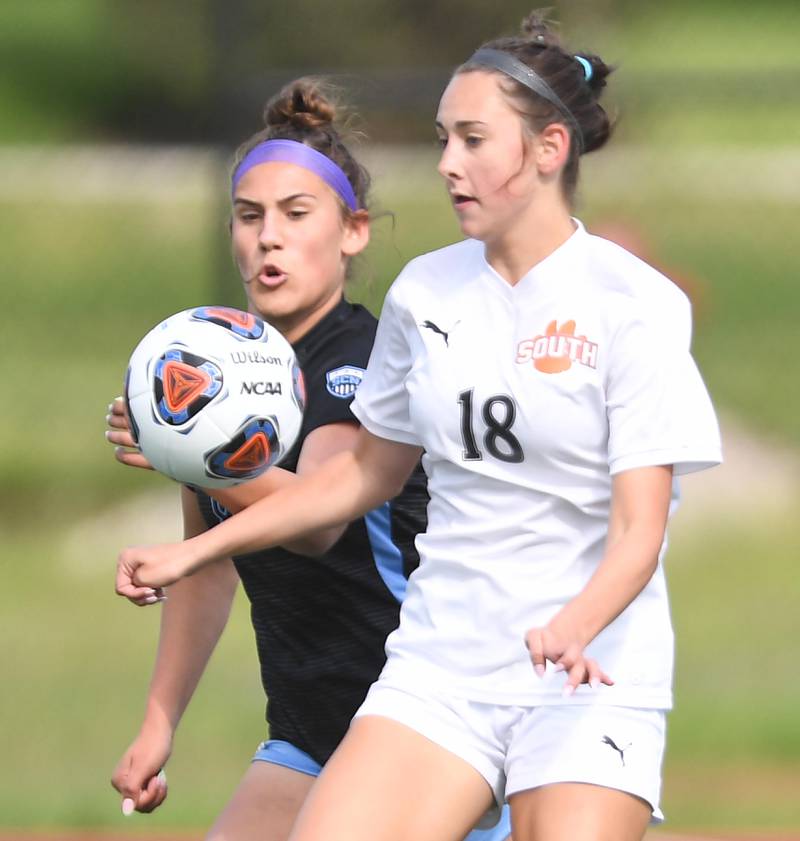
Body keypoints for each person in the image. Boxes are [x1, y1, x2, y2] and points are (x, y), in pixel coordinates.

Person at [116, 12, 722, 841]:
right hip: (443, 668)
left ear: (548, 150)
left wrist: (574, 624)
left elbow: (639, 527)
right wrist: (192, 550)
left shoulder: (635, 303)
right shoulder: (425, 295)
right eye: (443, 138)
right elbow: (358, 479)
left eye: (473, 139)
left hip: (590, 673)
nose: (446, 163)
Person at [108, 77, 511, 841]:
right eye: (249, 216)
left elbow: (320, 512)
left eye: (297, 215)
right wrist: (159, 722)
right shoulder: (223, 375)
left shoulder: (359, 358)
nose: (269, 237)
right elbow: (208, 568)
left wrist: (194, 451)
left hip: (428, 719)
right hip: (312, 726)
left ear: (352, 231)